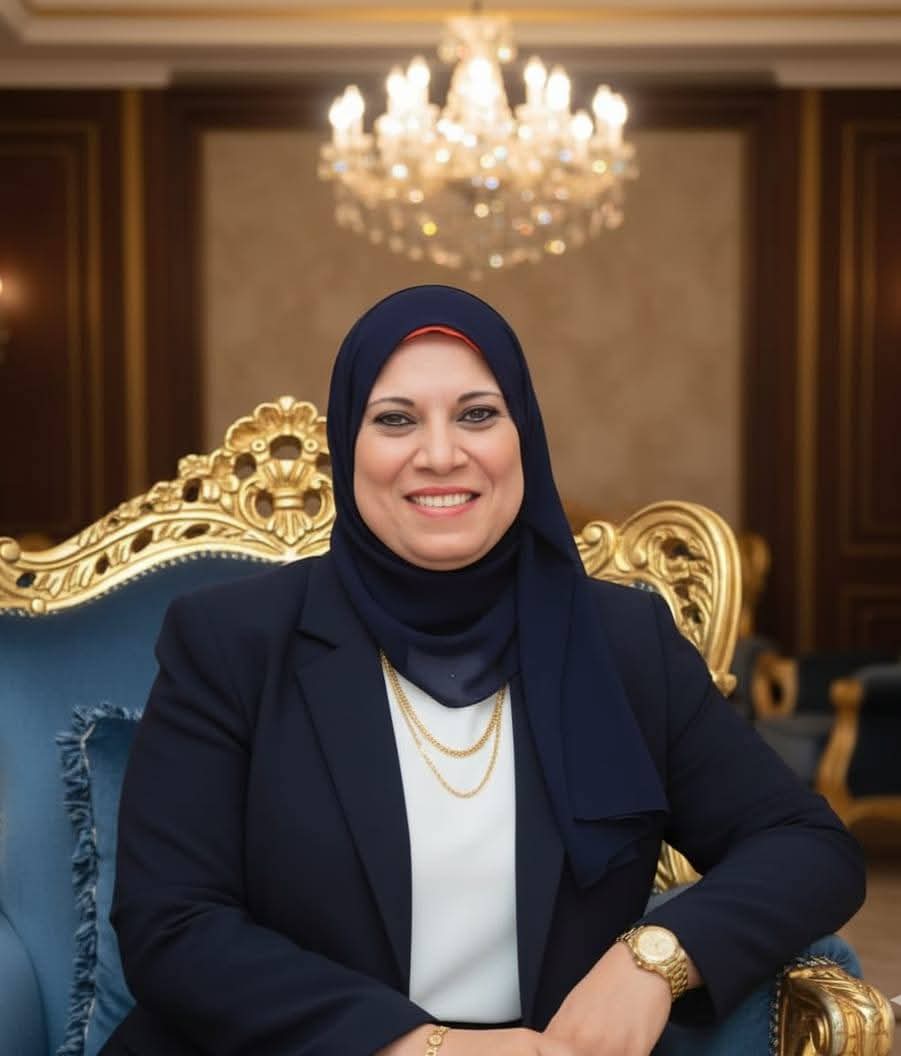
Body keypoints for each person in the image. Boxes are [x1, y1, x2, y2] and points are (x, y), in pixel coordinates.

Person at [101, 285, 865, 1056]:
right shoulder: (232, 641)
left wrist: (653, 958)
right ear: (347, 443)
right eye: (395, 419)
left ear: (522, 434)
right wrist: (417, 1046)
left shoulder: (622, 642)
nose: (440, 454)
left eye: (476, 414)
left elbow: (806, 846)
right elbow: (173, 923)